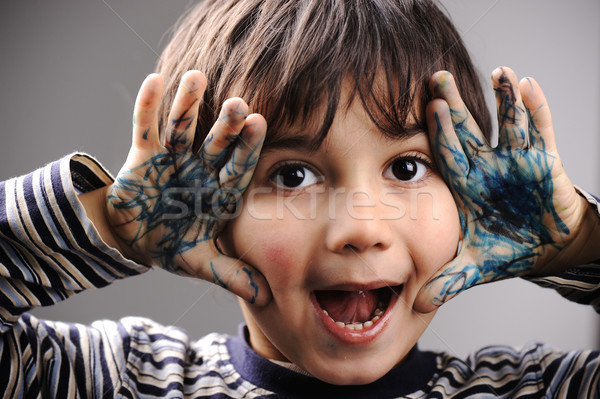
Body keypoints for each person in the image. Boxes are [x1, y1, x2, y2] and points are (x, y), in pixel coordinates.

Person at [1, 0, 599, 397]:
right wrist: (108, 225)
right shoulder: (122, 382)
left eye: (408, 166)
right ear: (211, 212)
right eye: (291, 177)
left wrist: (580, 244)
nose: (360, 228)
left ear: (468, 200)